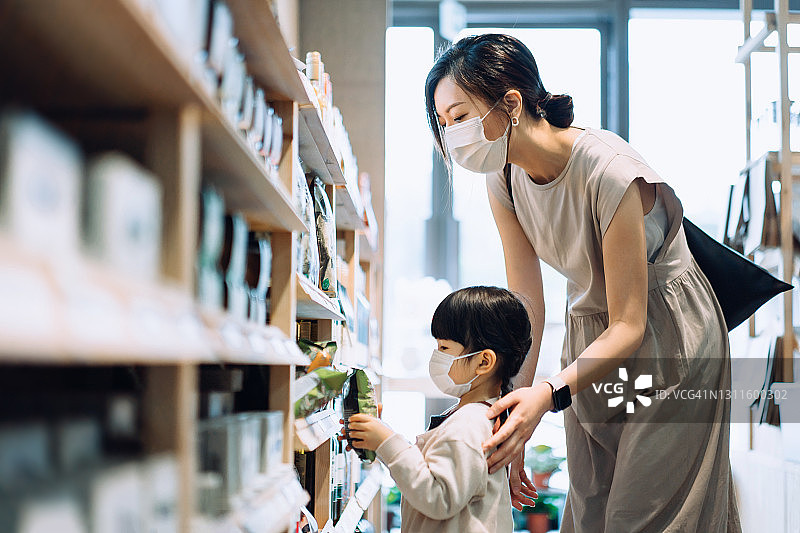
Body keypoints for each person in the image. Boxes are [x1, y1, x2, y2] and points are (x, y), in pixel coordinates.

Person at [424, 34, 741, 532]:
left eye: (461, 116)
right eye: (444, 124)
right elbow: (526, 305)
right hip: (592, 338)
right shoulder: (503, 178)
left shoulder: (610, 171)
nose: (452, 135)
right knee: (592, 509)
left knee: (643, 517)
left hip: (667, 338)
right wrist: (515, 415)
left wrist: (546, 395)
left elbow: (630, 324)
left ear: (511, 103)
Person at [344, 286, 534, 533]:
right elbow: (431, 470)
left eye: (444, 348)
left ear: (484, 361)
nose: (436, 356)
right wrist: (378, 436)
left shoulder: (469, 425)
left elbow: (438, 496)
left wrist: (386, 442)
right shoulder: (474, 417)